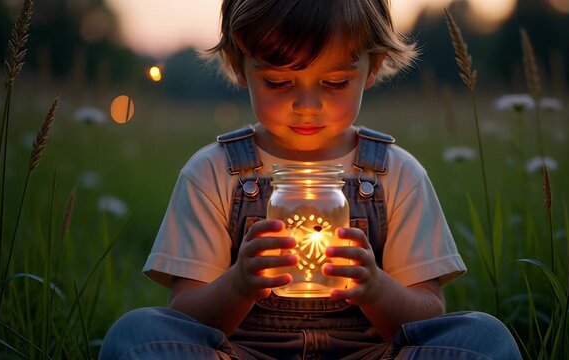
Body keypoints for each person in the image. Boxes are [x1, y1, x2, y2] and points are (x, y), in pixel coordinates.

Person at [99, 0, 521, 358]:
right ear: (238, 65)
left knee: (484, 339)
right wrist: (240, 284)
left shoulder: (395, 173)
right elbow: (186, 316)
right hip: (240, 353)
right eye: (278, 82)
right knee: (136, 335)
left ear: (372, 67)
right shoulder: (213, 172)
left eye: (335, 82)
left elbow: (427, 316)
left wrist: (375, 288)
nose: (306, 104)